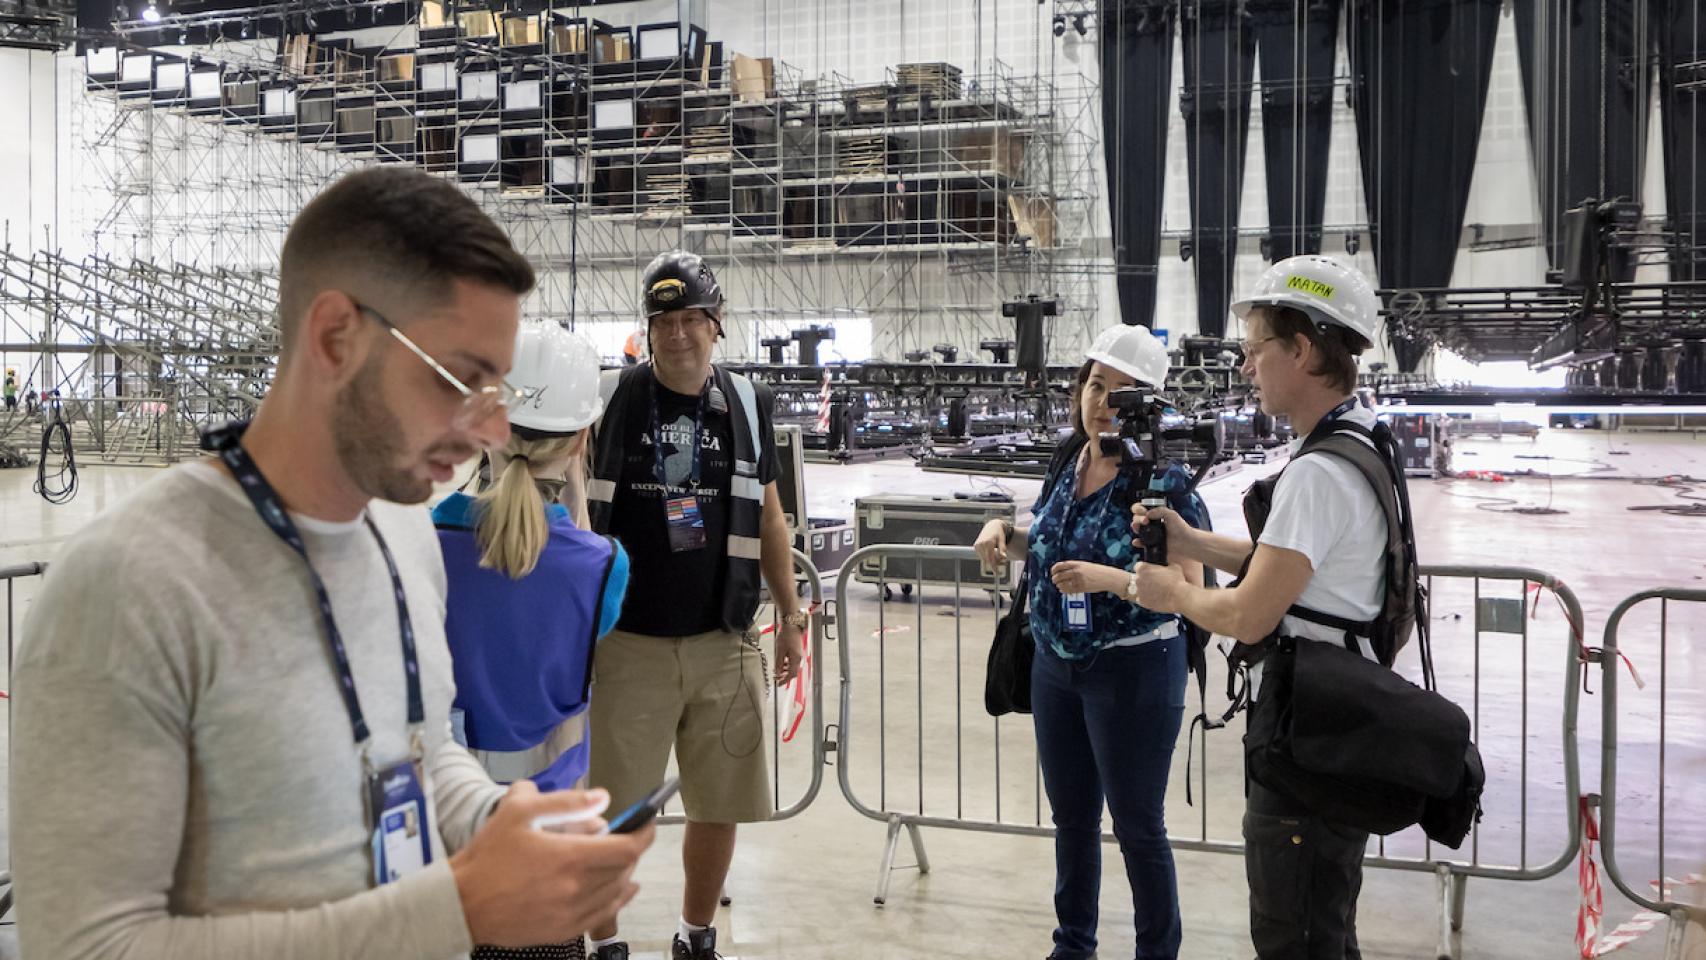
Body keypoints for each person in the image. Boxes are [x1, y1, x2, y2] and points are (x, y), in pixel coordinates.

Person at [11, 166, 654, 960]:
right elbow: (88, 946)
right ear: (335, 339)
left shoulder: (406, 536)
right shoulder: (128, 588)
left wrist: (497, 822)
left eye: (499, 393)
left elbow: (419, 747)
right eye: (460, 380)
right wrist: (453, 912)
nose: (491, 433)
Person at [1128, 255, 1390, 960]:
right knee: (1324, 927)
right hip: (1340, 719)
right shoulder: (1360, 440)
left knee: (1295, 935)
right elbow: (1288, 566)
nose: (1246, 367)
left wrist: (1170, 592)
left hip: (1309, 736)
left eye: (1255, 349)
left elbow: (1250, 615)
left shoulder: (1318, 474)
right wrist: (1190, 542)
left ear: (1301, 350)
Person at [584, 249, 806, 960]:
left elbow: (770, 518)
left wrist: (791, 617)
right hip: (627, 644)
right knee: (613, 810)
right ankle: (605, 941)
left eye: (689, 318)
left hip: (724, 639)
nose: (676, 334)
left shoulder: (747, 403)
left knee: (719, 803)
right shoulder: (609, 400)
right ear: (647, 330)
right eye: (662, 321)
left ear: (716, 323)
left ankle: (696, 935)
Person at [974, 323, 1208, 960]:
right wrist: (1002, 532)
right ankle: (1072, 947)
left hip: (1134, 670)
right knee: (1072, 820)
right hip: (1057, 665)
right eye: (1096, 384)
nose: (1103, 402)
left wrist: (1111, 580)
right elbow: (1050, 545)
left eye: (1121, 392)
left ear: (1148, 405)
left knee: (1138, 828)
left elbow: (1192, 589)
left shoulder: (1162, 480)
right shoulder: (1068, 459)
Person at [434, 321, 628, 960]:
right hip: (548, 834)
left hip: (445, 829)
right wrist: (573, 487)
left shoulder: (425, 543)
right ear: (581, 437)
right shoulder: (602, 566)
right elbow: (577, 559)